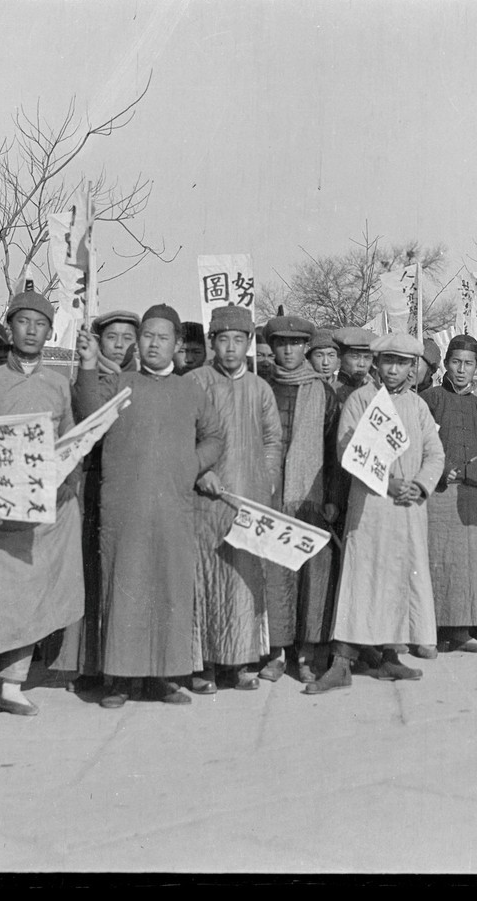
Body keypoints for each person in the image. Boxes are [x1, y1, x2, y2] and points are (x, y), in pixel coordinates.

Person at [78, 303, 225, 707]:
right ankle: (120, 679)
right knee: (124, 584)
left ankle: (167, 676)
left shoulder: (190, 390)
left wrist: (191, 465)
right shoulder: (119, 383)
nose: (153, 343)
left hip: (173, 507)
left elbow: (214, 437)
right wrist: (88, 366)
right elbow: (88, 415)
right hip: (124, 506)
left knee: (169, 587)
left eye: (163, 337)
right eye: (147, 336)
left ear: (178, 344)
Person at [0, 290, 85, 730]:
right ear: (9, 328)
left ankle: (12, 684)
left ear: (50, 332)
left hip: (43, 502)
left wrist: (66, 479)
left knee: (33, 592)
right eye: (23, 322)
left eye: (40, 324)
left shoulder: (57, 382)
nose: (32, 331)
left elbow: (70, 437)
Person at [307, 333, 447, 693]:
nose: (394, 370)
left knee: (401, 580)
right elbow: (348, 454)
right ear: (376, 363)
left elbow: (436, 453)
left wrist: (420, 483)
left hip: (407, 510)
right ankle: (342, 661)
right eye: (388, 362)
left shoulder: (418, 407)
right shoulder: (360, 400)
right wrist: (389, 483)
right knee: (362, 580)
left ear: (413, 368)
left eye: (402, 363)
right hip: (370, 508)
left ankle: (389, 657)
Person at [186, 305, 282, 692]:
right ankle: (203, 666)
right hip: (205, 501)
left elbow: (274, 440)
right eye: (222, 340)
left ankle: (241, 663)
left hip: (248, 498)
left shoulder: (260, 388)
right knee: (206, 579)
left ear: (249, 344)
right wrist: (199, 470)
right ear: (212, 342)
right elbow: (183, 436)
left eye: (238, 340)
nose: (230, 348)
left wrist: (267, 480)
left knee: (245, 581)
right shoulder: (195, 381)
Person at [55, 309, 141, 690]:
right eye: (112, 338)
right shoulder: (88, 375)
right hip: (93, 479)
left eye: (127, 338)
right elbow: (89, 416)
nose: (120, 345)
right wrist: (89, 367)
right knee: (90, 570)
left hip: (131, 483)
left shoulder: (141, 377)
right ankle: (86, 663)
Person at [261, 315, 343, 682]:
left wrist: (332, 497)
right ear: (273, 347)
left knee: (313, 576)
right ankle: (275, 652)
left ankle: (309, 653)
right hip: (269, 494)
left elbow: (333, 451)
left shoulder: (322, 391)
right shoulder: (262, 385)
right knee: (274, 575)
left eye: (296, 344)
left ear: (305, 348)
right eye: (282, 343)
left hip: (310, 496)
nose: (289, 350)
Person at [419, 335, 477, 654]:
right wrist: (440, 470)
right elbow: (418, 445)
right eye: (456, 362)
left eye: (468, 364)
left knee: (470, 567)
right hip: (439, 495)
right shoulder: (429, 399)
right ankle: (428, 632)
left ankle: (461, 631)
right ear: (445, 364)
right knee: (437, 562)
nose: (461, 370)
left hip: (473, 497)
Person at [331, 327, 377, 406]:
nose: (362, 364)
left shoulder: (376, 393)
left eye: (367, 357)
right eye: (355, 357)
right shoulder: (330, 393)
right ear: (340, 356)